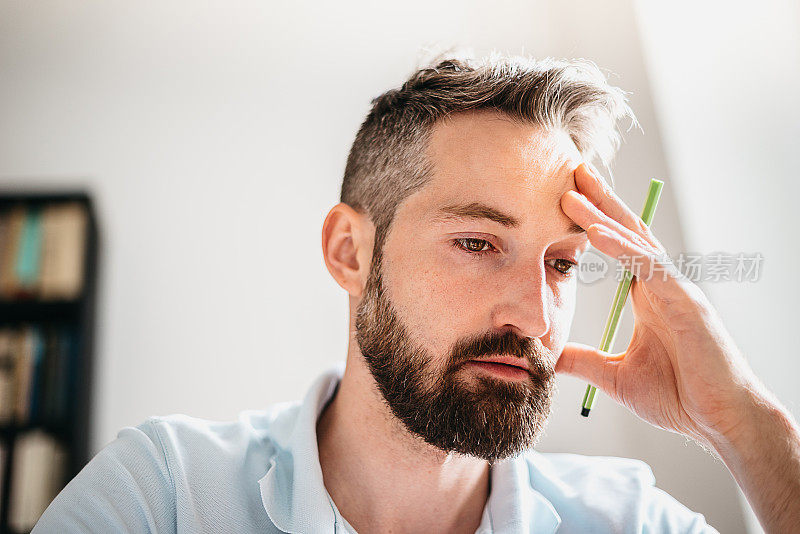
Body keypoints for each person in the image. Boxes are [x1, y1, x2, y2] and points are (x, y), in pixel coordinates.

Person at [33, 53, 800, 534]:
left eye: (563, 264)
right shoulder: (166, 494)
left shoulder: (626, 520)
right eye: (477, 243)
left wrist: (744, 423)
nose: (537, 316)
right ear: (349, 252)